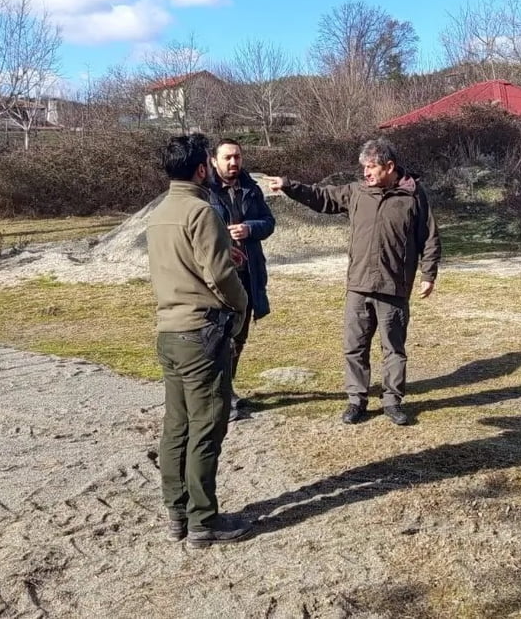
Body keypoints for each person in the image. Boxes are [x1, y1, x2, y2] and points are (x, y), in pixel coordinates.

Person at [264, 137, 440, 426]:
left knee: (393, 349)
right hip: (358, 286)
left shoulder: (413, 196)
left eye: (371, 167)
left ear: (390, 166)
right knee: (354, 346)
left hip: (393, 287)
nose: (366, 173)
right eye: (364, 168)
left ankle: (393, 402)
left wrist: (428, 274)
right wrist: (288, 185)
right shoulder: (356, 192)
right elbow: (320, 197)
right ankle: (356, 401)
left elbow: (429, 237)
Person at [148, 133, 253, 548]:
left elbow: (185, 264)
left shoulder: (159, 213)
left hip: (169, 332)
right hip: (202, 332)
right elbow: (220, 276)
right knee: (207, 427)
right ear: (200, 169)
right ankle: (203, 523)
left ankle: (177, 514)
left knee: (177, 426)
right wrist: (241, 304)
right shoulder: (201, 211)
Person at [206, 138, 276, 421]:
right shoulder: (204, 192)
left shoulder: (250, 188)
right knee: (218, 338)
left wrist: (249, 228)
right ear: (214, 161)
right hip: (218, 278)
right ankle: (216, 397)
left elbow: (269, 223)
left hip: (248, 276)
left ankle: (228, 391)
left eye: (237, 157)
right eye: (227, 158)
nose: (233, 162)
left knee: (239, 337)